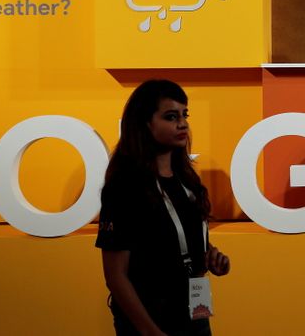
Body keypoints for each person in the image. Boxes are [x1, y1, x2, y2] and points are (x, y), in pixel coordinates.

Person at [96, 80, 230, 336]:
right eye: (170, 117)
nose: (182, 123)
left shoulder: (187, 181)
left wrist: (211, 255)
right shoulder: (125, 187)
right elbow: (115, 276)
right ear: (145, 124)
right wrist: (150, 332)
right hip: (151, 318)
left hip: (196, 310)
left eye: (184, 115)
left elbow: (174, 239)